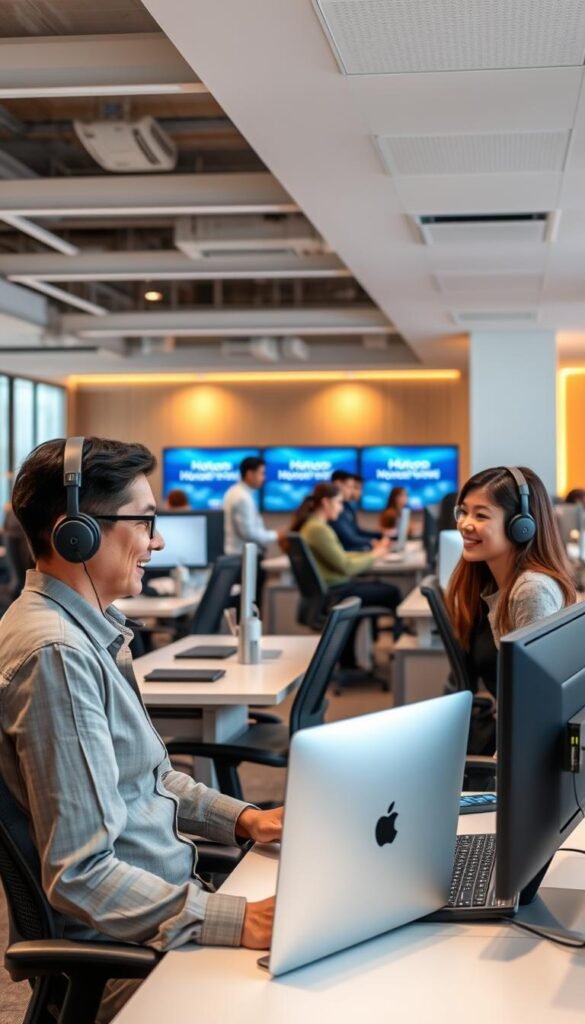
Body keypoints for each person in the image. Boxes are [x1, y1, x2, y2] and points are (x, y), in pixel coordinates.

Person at [0, 437, 282, 1024]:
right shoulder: (57, 656)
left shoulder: (89, 633)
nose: (157, 541)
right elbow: (82, 875)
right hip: (127, 958)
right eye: (145, 522)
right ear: (76, 534)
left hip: (163, 915)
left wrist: (245, 819)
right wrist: (237, 919)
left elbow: (149, 779)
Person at [445, 465, 576, 752]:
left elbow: (537, 704)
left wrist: (499, 765)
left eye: (481, 515)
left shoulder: (531, 590)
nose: (465, 524)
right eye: (463, 512)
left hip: (524, 752)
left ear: (521, 525)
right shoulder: (488, 582)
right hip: (503, 734)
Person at [290, 482, 403, 658]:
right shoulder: (318, 529)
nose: (341, 508)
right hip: (337, 593)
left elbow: (342, 556)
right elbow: (345, 566)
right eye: (339, 503)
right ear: (326, 502)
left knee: (374, 587)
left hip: (334, 591)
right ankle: (396, 654)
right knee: (392, 592)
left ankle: (349, 661)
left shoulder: (314, 526)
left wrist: (372, 553)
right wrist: (375, 555)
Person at [329, 470, 384, 551]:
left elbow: (356, 531)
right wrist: (372, 542)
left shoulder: (347, 506)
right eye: (350, 487)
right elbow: (349, 538)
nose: (352, 491)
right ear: (338, 484)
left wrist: (381, 536)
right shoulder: (335, 510)